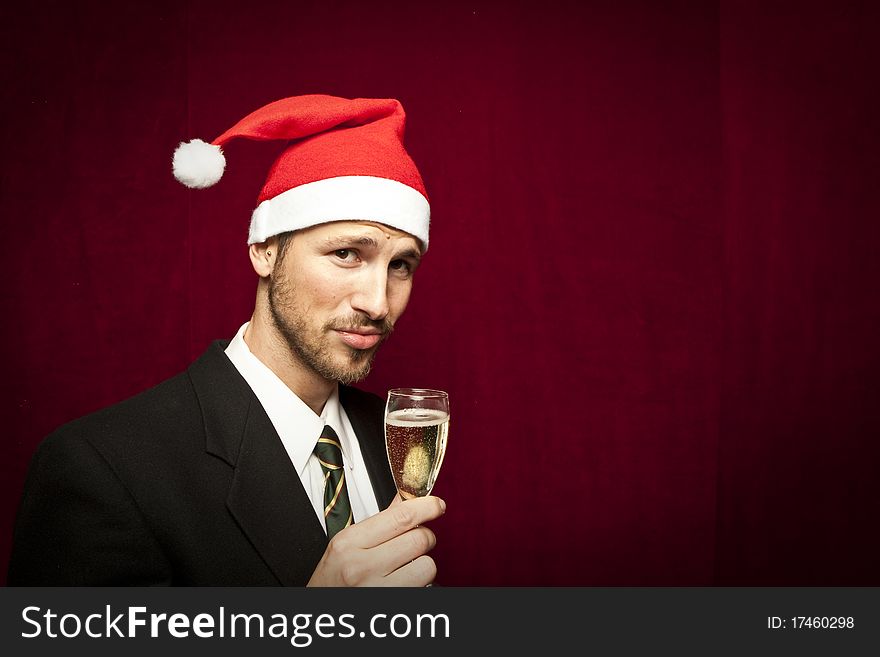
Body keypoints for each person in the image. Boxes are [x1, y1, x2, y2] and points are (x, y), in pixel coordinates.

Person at [7, 94, 446, 586]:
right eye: (345, 253)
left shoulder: (392, 435)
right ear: (264, 251)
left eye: (400, 265)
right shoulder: (101, 467)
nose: (378, 303)